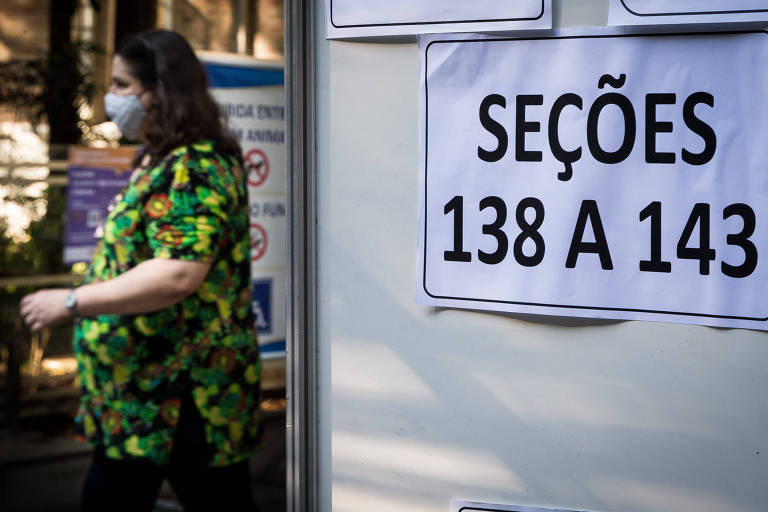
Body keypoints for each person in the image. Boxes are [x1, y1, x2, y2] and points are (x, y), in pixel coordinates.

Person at [20, 30, 261, 512]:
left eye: (121, 84)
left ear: (158, 91)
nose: (111, 96)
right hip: (141, 397)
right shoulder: (160, 157)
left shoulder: (197, 164)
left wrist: (71, 303)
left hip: (183, 399)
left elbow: (178, 273)